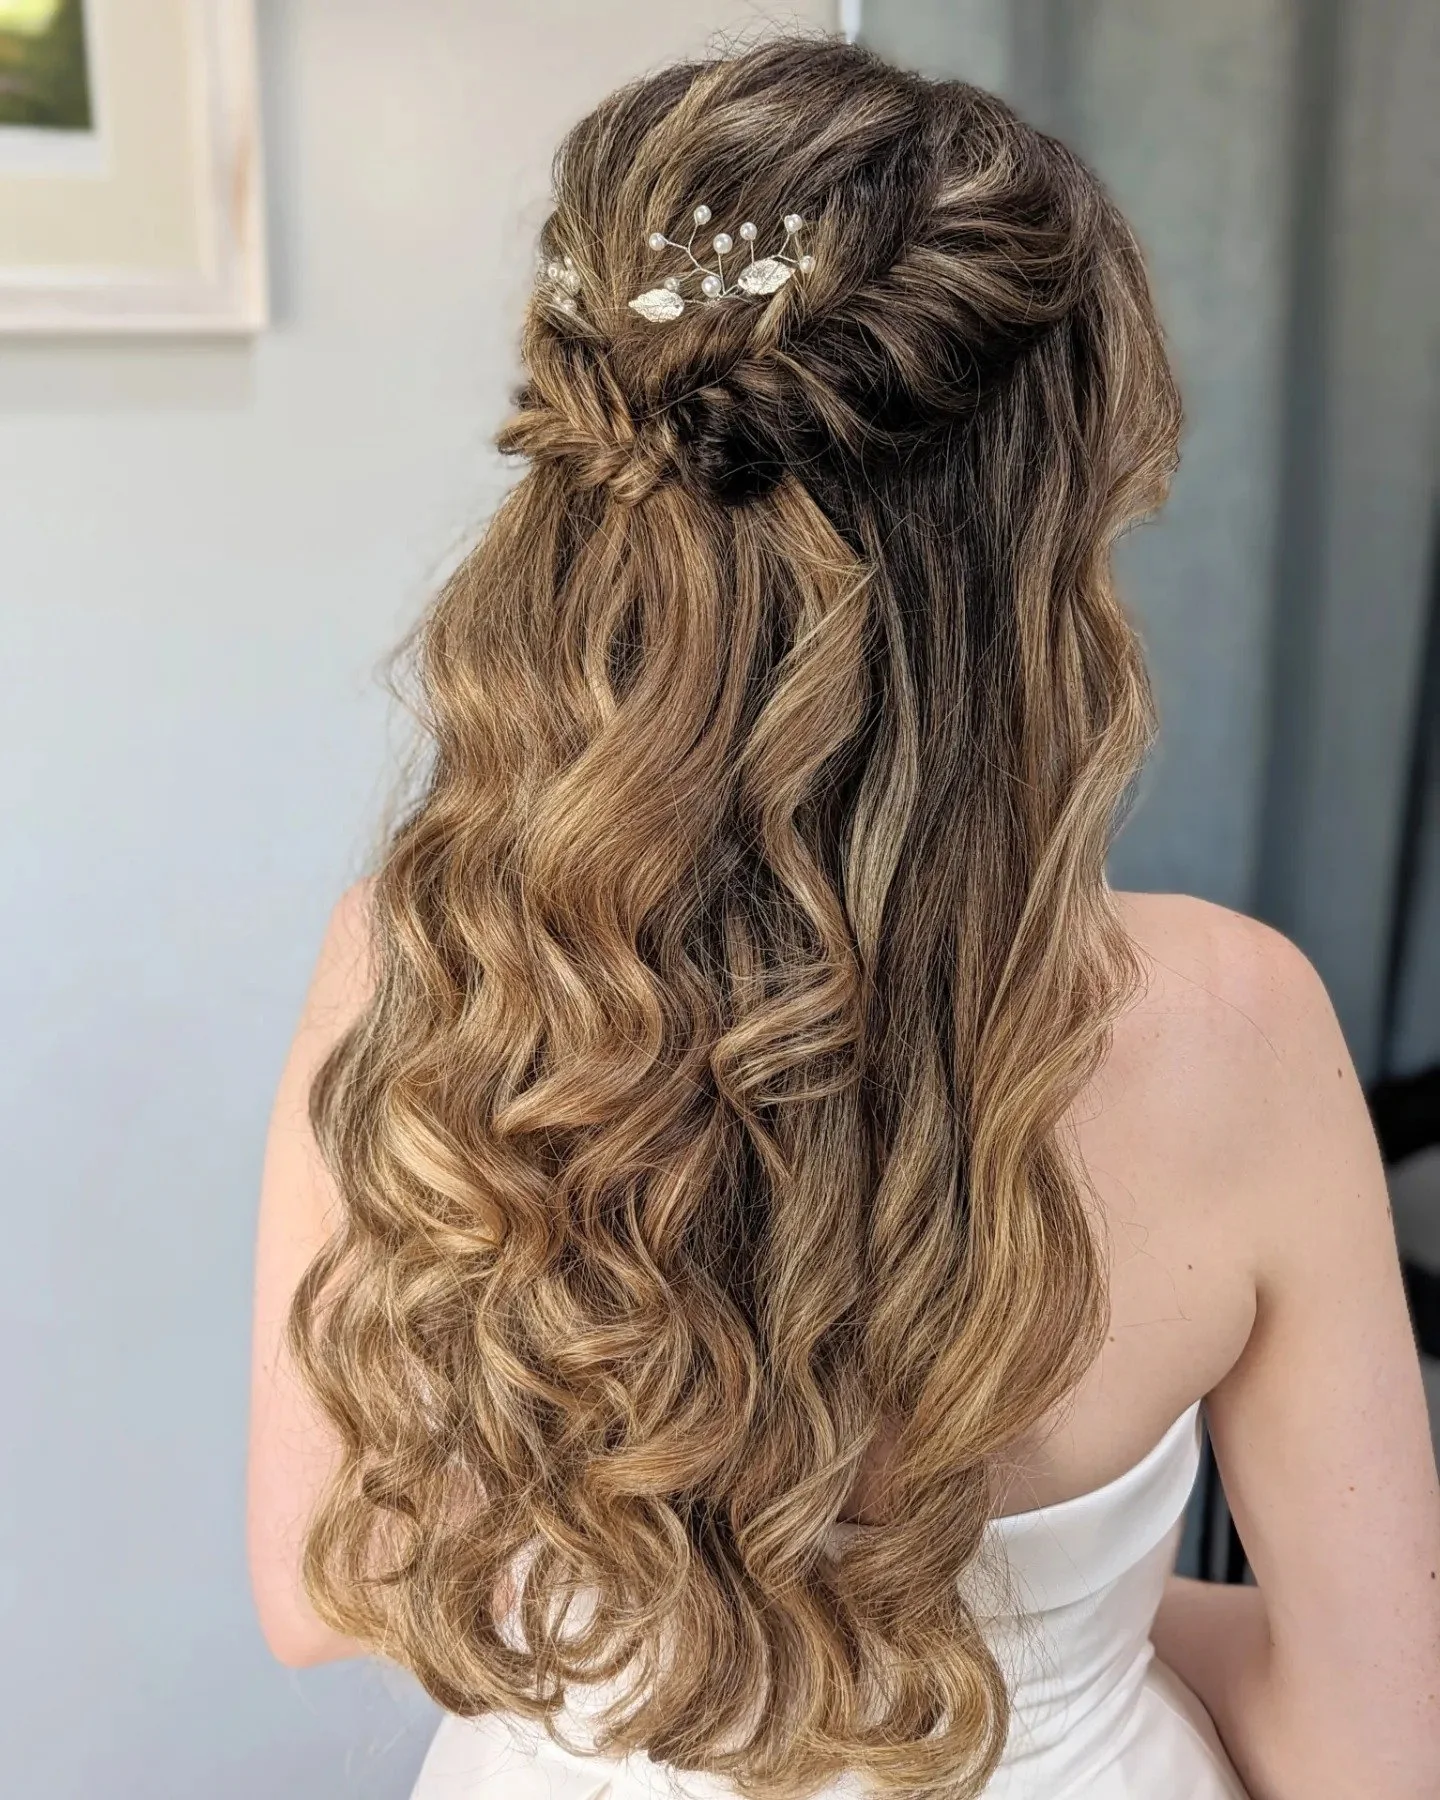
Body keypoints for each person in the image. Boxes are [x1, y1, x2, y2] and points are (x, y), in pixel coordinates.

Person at [246, 36, 1440, 1800]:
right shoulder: (1235, 1027)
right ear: (1049, 530)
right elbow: (1381, 1751)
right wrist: (1079, 1617)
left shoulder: (423, 964)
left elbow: (315, 1586)